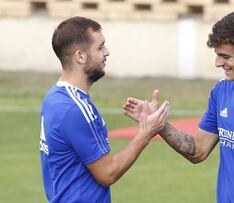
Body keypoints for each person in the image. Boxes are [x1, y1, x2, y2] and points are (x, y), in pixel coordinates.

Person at [123, 11, 234, 203]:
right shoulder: (222, 90)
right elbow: (198, 150)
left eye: (225, 56)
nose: (218, 63)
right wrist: (159, 124)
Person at [39, 16, 170, 203]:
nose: (107, 52)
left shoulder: (53, 98)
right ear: (80, 56)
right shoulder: (74, 109)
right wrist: (147, 131)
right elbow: (108, 173)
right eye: (100, 47)